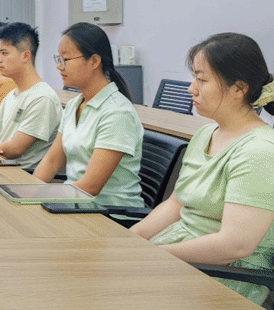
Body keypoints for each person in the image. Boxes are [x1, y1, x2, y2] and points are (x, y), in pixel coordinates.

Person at [130, 33, 274, 306]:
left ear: (239, 89)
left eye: (202, 80)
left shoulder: (260, 151)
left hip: (224, 275)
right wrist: (129, 241)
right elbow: (175, 205)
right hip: (182, 256)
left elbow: (235, 245)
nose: (191, 89)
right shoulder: (205, 134)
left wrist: (152, 255)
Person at [33, 23, 143, 207]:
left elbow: (91, 186)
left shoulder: (117, 113)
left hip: (108, 213)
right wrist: (28, 193)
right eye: (59, 59)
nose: (59, 66)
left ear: (94, 61)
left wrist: (38, 195)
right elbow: (51, 162)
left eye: (66, 59)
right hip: (76, 203)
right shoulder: (74, 105)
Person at [0, 23, 60, 170]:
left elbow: (15, 150)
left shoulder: (42, 98)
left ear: (26, 56)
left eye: (4, 53)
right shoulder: (11, 95)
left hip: (20, 175)